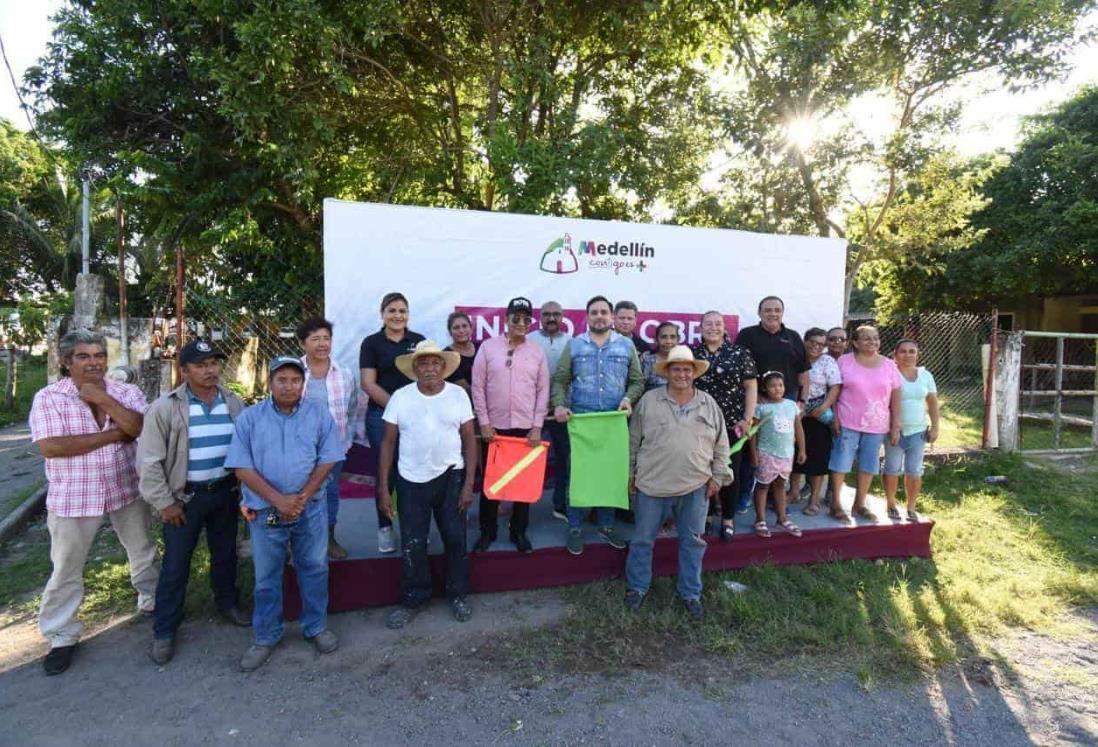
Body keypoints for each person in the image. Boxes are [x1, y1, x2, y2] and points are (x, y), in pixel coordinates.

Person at [29, 329, 159, 676]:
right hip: (74, 494)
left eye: (99, 355)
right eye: (83, 357)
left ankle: (152, 601)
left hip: (124, 486)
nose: (93, 363)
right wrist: (114, 434)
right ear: (66, 362)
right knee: (67, 566)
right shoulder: (49, 398)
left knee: (142, 550)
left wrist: (102, 400)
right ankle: (61, 634)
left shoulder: (125, 392)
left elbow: (139, 427)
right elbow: (53, 447)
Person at [226, 356, 343, 672]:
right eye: (282, 379)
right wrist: (278, 499)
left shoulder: (319, 416)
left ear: (303, 384)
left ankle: (316, 627)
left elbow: (328, 459)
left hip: (310, 509)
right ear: (269, 383)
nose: (289, 385)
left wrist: (300, 498)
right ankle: (266, 636)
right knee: (266, 576)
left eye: (295, 380)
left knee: (315, 568)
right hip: (267, 511)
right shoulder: (250, 419)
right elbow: (241, 466)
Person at [137, 339, 250, 666]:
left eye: (214, 363)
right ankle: (165, 629)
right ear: (183, 370)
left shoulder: (234, 402)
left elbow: (245, 448)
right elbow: (149, 462)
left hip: (225, 493)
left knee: (225, 554)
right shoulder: (165, 408)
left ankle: (227, 603)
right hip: (184, 500)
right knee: (176, 564)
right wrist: (165, 504)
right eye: (201, 365)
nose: (210, 370)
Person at [625, 346, 731, 620]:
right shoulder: (649, 400)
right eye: (676, 369)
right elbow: (632, 441)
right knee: (641, 541)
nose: (682, 374)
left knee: (693, 542)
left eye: (687, 369)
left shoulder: (708, 403)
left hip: (695, 485)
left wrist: (717, 476)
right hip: (651, 484)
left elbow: (721, 444)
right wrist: (630, 474)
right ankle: (637, 588)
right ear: (667, 372)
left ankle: (691, 593)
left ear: (694, 373)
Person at [378, 341, 478, 628]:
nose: (430, 368)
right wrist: (384, 489)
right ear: (415, 368)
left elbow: (470, 439)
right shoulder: (400, 397)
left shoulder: (458, 395)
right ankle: (413, 598)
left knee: (456, 539)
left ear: (444, 367)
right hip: (411, 480)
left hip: (451, 477)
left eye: (436, 363)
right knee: (413, 543)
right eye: (424, 363)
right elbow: (387, 443)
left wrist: (469, 482)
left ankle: (458, 595)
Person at [551, 296, 644, 555]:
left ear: (612, 316)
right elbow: (560, 380)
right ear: (587, 316)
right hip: (582, 423)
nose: (600, 316)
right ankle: (575, 528)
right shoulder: (575, 345)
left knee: (610, 475)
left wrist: (628, 399)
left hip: (614, 423)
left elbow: (637, 381)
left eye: (604, 312)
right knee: (578, 475)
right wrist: (559, 404)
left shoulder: (626, 345)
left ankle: (606, 525)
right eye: (594, 312)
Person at [470, 298, 550, 553]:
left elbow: (543, 391)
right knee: (490, 484)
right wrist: (483, 422)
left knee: (522, 485)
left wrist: (537, 426)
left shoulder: (537, 351)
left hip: (526, 429)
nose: (521, 323)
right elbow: (478, 388)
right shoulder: (487, 348)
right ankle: (487, 532)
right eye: (516, 318)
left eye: (526, 319)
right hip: (494, 429)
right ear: (506, 320)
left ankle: (518, 532)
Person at [360, 292, 425, 553]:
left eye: (402, 311)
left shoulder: (419, 341)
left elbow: (428, 378)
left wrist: (411, 411)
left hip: (418, 418)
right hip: (381, 417)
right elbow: (368, 383)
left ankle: (415, 529)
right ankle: (385, 528)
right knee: (386, 475)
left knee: (417, 473)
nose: (397, 315)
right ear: (382, 314)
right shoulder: (372, 343)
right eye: (392, 310)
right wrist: (399, 408)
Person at [691, 311, 757, 541]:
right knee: (701, 471)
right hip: (699, 424)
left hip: (732, 424)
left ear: (724, 327)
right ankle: (706, 516)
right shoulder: (692, 353)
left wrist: (747, 419)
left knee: (730, 472)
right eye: (708, 324)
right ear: (700, 328)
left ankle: (728, 518)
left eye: (717, 324)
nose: (713, 328)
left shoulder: (739, 352)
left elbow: (750, 386)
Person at [828, 326, 902, 525]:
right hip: (847, 422)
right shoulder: (844, 362)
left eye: (876, 338)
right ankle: (835, 503)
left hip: (877, 425)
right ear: (855, 342)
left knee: (869, 464)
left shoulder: (889, 365)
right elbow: (834, 390)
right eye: (867, 339)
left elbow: (896, 396)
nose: (872, 342)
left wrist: (895, 425)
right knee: (841, 461)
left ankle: (859, 504)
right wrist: (834, 417)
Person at [298, 318, 358, 560]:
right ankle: (299, 541)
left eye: (326, 338)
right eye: (315, 339)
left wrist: (346, 440)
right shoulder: (293, 372)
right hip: (300, 450)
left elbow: (352, 409)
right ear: (303, 343)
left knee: (331, 493)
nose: (322, 344)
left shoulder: (343, 374)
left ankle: (329, 538)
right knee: (300, 493)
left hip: (333, 449)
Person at [883, 340, 940, 522]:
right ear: (895, 354)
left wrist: (936, 426)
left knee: (914, 471)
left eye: (912, 351)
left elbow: (932, 402)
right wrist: (894, 428)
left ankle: (911, 507)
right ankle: (891, 503)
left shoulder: (926, 376)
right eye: (903, 351)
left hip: (918, 431)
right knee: (892, 469)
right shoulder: (889, 373)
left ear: (918, 354)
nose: (907, 355)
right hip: (894, 431)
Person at [789, 328, 842, 516]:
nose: (816, 346)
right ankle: (794, 492)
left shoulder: (827, 361)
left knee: (818, 455)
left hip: (818, 411)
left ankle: (814, 500)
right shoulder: (794, 357)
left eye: (821, 344)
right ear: (804, 340)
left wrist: (825, 406)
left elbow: (835, 387)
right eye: (813, 342)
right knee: (794, 451)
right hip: (795, 411)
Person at [750, 372, 806, 538]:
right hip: (766, 454)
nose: (777, 389)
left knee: (781, 485)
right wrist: (753, 454)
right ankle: (760, 519)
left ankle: (782, 519)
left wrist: (802, 449)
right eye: (773, 386)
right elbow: (753, 434)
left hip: (786, 454)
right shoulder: (761, 409)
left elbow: (798, 429)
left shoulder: (791, 405)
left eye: (780, 385)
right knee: (763, 486)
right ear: (765, 388)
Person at [530, 300, 571, 519]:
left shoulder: (572, 342)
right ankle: (522, 504)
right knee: (527, 458)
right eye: (547, 314)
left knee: (566, 458)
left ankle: (560, 504)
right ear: (540, 316)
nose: (552, 318)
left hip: (561, 411)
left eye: (556, 314)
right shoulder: (528, 341)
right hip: (532, 410)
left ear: (563, 317)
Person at [639, 321, 681, 391]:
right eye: (664, 337)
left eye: (672, 337)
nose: (668, 341)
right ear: (656, 340)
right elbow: (638, 386)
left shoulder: (684, 360)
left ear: (678, 340)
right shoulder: (647, 359)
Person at [444, 311, 478, 394]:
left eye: (464, 326)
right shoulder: (446, 355)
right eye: (456, 328)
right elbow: (464, 389)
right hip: (462, 402)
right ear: (450, 332)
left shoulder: (482, 347)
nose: (461, 330)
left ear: (471, 328)